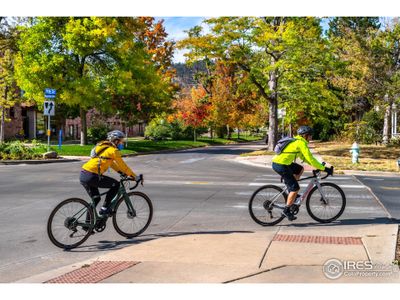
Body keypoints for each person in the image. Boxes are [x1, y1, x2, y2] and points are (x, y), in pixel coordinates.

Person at [271, 126, 333, 221]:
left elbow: (304, 158)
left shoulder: (297, 141)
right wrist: (324, 168)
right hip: (281, 165)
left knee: (299, 169)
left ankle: (291, 192)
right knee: (295, 188)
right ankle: (286, 210)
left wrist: (319, 166)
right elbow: (310, 158)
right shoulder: (301, 143)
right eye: (310, 135)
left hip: (282, 163)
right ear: (305, 135)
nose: (311, 137)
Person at [80, 130, 137, 215]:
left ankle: (88, 225)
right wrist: (135, 177)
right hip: (91, 175)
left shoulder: (105, 148)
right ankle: (104, 208)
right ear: (116, 141)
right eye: (121, 141)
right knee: (116, 185)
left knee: (96, 199)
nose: (122, 144)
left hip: (83, 174)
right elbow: (123, 166)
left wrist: (120, 172)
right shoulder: (113, 151)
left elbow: (111, 164)